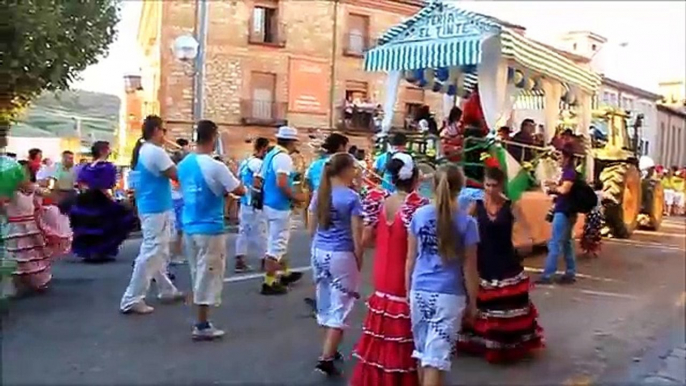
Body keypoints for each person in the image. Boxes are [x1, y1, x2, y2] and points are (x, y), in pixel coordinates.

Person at [351, 152, 428, 386]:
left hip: (382, 272)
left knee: (381, 330)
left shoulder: (381, 200)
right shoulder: (417, 206)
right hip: (402, 273)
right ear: (414, 177)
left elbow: (368, 238)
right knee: (401, 332)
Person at [456, 167, 544, 363]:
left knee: (506, 304)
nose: (490, 189)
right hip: (483, 259)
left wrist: (526, 241)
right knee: (480, 300)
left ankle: (507, 344)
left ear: (501, 185)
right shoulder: (475, 205)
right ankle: (479, 342)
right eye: (487, 185)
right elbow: (463, 227)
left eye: (494, 186)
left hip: (506, 260)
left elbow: (526, 230)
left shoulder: (511, 206)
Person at [406, 164, 480, 386]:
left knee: (422, 352)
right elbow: (469, 268)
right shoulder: (467, 223)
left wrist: (407, 288)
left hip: (419, 290)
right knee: (436, 359)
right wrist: (473, 302)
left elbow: (411, 258)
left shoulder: (419, 215)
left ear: (434, 185)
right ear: (462, 187)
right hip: (449, 293)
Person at [178, 120, 245, 340]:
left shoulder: (185, 163)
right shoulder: (215, 165)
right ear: (214, 137)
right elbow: (239, 189)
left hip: (189, 225)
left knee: (198, 272)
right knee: (209, 275)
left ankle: (201, 319)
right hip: (210, 227)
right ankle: (202, 323)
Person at [120, 115, 185, 314]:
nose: (165, 135)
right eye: (164, 130)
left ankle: (166, 289)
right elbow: (176, 175)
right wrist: (186, 157)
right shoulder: (155, 152)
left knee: (160, 250)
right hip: (155, 207)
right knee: (151, 252)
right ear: (156, 130)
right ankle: (132, 298)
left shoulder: (147, 150)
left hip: (155, 205)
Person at [307, 153, 363, 376]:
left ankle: (329, 347)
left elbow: (311, 227)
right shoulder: (351, 198)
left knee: (325, 300)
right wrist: (358, 258)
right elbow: (357, 235)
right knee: (341, 304)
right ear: (345, 170)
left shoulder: (320, 194)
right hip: (341, 252)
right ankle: (326, 357)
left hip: (320, 250)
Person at [256, 126, 307, 295]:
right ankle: (269, 282)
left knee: (276, 241)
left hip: (269, 204)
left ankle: (284, 273)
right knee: (277, 244)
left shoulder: (270, 155)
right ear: (292, 142)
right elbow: (282, 182)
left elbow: (259, 179)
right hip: (279, 206)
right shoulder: (284, 158)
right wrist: (296, 197)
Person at [303, 133, 350, 312]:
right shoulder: (342, 162)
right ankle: (333, 302)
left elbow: (307, 184)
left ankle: (321, 297)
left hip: (320, 206)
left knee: (320, 251)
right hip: (337, 208)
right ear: (340, 147)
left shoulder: (316, 164)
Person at [68, 141, 135, 263]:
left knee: (89, 225)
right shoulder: (106, 167)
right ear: (103, 151)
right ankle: (101, 251)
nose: (110, 151)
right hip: (99, 199)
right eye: (108, 149)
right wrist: (113, 199)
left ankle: (90, 252)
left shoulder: (86, 167)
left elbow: (81, 183)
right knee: (112, 222)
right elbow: (104, 187)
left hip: (86, 199)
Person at [537, 143, 578, 285]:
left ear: (567, 157)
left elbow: (565, 190)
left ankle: (548, 274)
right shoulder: (569, 172)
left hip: (564, 211)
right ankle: (570, 272)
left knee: (555, 243)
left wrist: (553, 188)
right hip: (568, 211)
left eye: (560, 156)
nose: (558, 159)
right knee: (566, 243)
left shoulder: (569, 173)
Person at [234, 137, 270, 273]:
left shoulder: (245, 162)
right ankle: (264, 259)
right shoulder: (257, 163)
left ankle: (240, 259)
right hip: (254, 202)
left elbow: (239, 178)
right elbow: (257, 181)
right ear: (263, 148)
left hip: (245, 201)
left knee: (244, 230)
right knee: (261, 231)